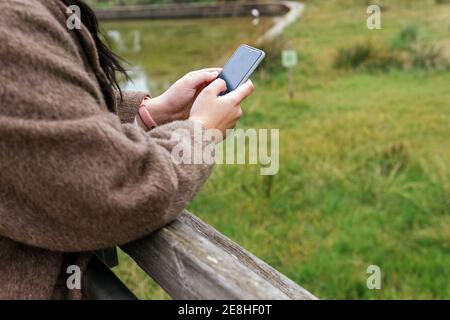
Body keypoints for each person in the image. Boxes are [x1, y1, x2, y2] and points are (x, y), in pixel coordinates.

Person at [0, 0, 254, 299]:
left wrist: (153, 113)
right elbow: (124, 187)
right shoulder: (10, 23)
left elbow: (48, 114)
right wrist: (200, 132)